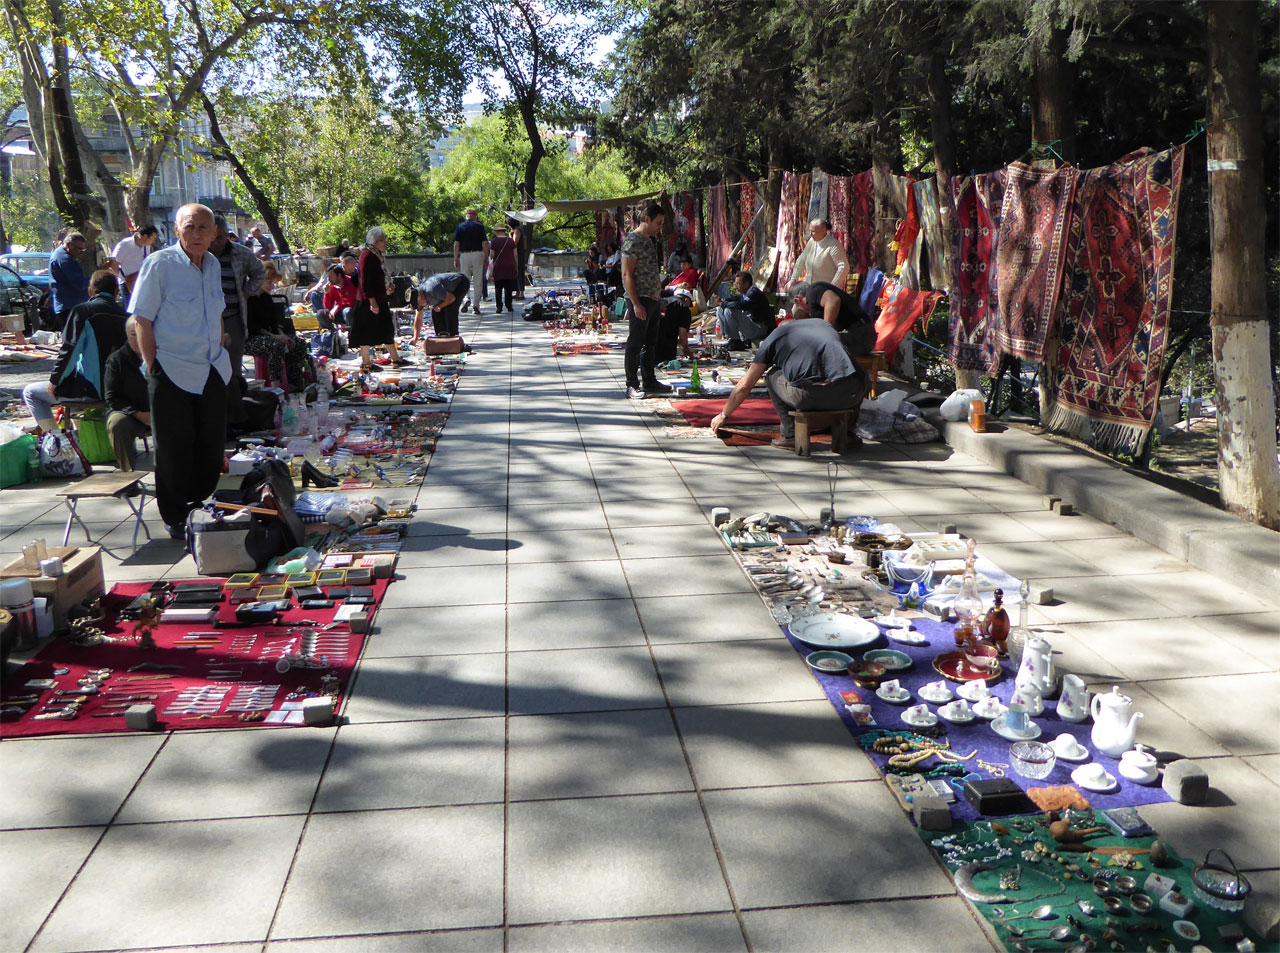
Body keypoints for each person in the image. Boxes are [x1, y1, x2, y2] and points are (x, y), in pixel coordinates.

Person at [129, 203, 232, 538]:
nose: (198, 234)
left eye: (205, 227)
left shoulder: (213, 264)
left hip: (212, 367)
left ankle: (198, 502)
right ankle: (175, 515)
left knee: (211, 445)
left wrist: (220, 344)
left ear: (215, 232)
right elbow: (142, 319)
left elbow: (214, 311)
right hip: (171, 368)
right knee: (174, 447)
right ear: (176, 230)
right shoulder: (160, 264)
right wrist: (151, 364)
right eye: (190, 227)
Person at [709, 314, 867, 450]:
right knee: (858, 373)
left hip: (809, 397)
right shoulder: (822, 325)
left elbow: (746, 385)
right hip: (850, 394)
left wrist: (724, 415)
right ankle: (848, 432)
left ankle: (790, 435)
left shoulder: (776, 336)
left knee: (771, 375)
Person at [22, 269, 129, 431]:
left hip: (93, 390)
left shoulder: (82, 312)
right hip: (122, 390)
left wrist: (55, 381)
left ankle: (58, 440)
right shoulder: (128, 317)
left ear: (91, 291)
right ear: (116, 292)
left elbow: (70, 351)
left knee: (31, 392)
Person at [209, 216, 265, 417]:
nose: (217, 242)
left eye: (222, 237)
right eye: (213, 238)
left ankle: (234, 415)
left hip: (233, 318)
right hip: (206, 323)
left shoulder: (240, 253)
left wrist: (247, 291)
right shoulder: (197, 255)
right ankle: (215, 415)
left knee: (232, 370)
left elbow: (259, 272)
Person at [621, 203, 670, 399]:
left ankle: (649, 380)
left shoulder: (650, 241)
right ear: (647, 220)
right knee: (635, 343)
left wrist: (658, 299)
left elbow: (651, 271)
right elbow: (627, 275)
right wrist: (635, 303)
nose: (660, 227)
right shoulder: (632, 241)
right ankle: (632, 384)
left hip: (652, 298)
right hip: (639, 298)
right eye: (658, 223)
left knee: (650, 343)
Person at [245, 265, 311, 388]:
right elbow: (253, 327)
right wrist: (275, 336)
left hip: (270, 336)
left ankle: (294, 383)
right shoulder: (249, 299)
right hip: (251, 338)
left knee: (298, 344)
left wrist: (282, 335)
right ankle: (276, 386)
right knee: (276, 346)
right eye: (269, 282)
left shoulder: (266, 298)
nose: (272, 286)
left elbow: (274, 323)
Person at [104, 316, 151, 471]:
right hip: (132, 413)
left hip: (162, 410)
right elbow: (112, 397)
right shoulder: (117, 360)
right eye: (133, 334)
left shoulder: (164, 355)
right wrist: (139, 414)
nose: (138, 339)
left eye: (141, 332)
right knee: (117, 423)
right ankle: (128, 476)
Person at [352, 226, 401, 370]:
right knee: (366, 332)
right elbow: (365, 281)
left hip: (380, 297)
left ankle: (395, 358)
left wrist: (389, 285)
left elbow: (382, 275)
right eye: (381, 240)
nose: (385, 242)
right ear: (374, 241)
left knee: (386, 328)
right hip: (368, 300)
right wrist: (372, 302)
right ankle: (366, 362)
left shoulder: (377, 254)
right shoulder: (367, 256)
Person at [790, 280, 875, 356]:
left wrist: (826, 333)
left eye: (797, 305)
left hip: (862, 336)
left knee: (812, 347)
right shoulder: (816, 302)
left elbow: (833, 300)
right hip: (863, 336)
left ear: (798, 300)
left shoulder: (813, 290)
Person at [717, 271, 776, 349]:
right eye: (735, 284)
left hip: (759, 328)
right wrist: (723, 302)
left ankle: (736, 341)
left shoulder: (754, 293)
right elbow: (734, 298)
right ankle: (730, 339)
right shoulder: (743, 294)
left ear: (746, 284)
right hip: (751, 327)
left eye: (738, 284)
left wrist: (726, 304)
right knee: (719, 309)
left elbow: (742, 305)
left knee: (729, 311)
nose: (736, 287)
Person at [790, 219, 849, 289]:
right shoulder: (811, 242)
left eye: (813, 231)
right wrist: (793, 278)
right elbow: (802, 259)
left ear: (823, 230)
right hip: (811, 288)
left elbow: (843, 267)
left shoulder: (833, 245)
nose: (810, 234)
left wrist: (832, 286)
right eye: (810, 231)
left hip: (826, 290)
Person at [48, 232, 91, 327]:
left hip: (70, 305)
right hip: (69, 307)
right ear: (68, 245)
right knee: (75, 339)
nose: (81, 252)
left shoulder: (62, 255)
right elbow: (80, 283)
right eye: (78, 248)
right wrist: (96, 277)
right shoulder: (64, 259)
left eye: (82, 249)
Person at [453, 209, 489, 314]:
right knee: (478, 280)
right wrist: (486, 257)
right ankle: (476, 306)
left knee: (464, 279)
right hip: (478, 254)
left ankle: (466, 298)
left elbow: (456, 245)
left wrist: (455, 258)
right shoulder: (479, 226)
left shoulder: (460, 227)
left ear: (466, 216)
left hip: (464, 255)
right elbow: (485, 243)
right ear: (475, 216)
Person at [416, 272, 468, 340]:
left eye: (418, 304)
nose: (419, 306)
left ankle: (454, 338)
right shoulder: (419, 297)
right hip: (444, 292)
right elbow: (418, 318)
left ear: (422, 297)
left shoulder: (432, 289)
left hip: (460, 283)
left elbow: (451, 298)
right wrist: (415, 338)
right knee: (435, 312)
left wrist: (440, 306)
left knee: (450, 310)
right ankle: (441, 338)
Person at [110, 226, 159, 293]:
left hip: (142, 281)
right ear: (145, 237)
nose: (153, 241)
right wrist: (124, 279)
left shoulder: (146, 246)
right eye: (152, 238)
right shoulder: (124, 245)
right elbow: (113, 264)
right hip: (128, 284)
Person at [488, 224, 520, 313]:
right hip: (510, 266)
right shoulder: (510, 241)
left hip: (498, 266)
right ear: (504, 231)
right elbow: (515, 255)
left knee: (498, 288)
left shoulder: (493, 242)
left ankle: (499, 306)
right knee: (508, 288)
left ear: (497, 232)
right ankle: (509, 306)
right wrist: (516, 266)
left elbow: (492, 255)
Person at [322, 263, 359, 327]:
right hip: (340, 313)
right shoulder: (332, 286)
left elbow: (351, 303)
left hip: (353, 313)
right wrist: (327, 293)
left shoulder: (351, 282)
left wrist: (337, 307)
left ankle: (353, 332)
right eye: (328, 277)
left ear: (339, 276)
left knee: (347, 311)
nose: (329, 279)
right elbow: (328, 307)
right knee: (321, 314)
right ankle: (332, 334)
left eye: (331, 276)